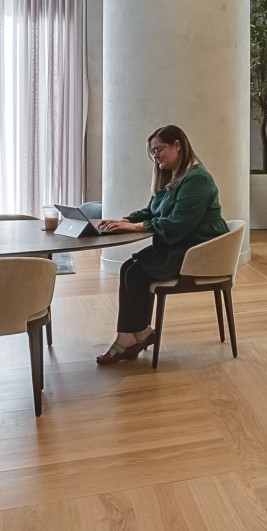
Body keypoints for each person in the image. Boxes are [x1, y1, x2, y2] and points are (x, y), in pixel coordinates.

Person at [93, 124, 230, 364]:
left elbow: (176, 225)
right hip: (180, 246)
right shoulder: (174, 177)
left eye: (158, 150)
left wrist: (135, 227)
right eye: (153, 152)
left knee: (136, 273)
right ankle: (136, 334)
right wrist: (125, 221)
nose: (155, 157)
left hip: (197, 252)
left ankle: (134, 337)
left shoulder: (198, 180)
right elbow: (152, 211)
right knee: (128, 269)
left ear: (177, 145)